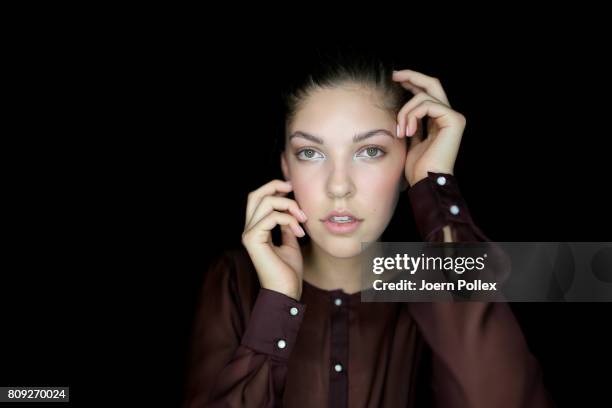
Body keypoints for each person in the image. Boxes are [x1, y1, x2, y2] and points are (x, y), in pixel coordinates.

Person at [184, 48, 555, 407]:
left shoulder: (429, 284)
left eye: (370, 151)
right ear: (286, 166)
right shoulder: (234, 280)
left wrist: (436, 189)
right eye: (310, 153)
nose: (339, 185)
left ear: (409, 158)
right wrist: (277, 304)